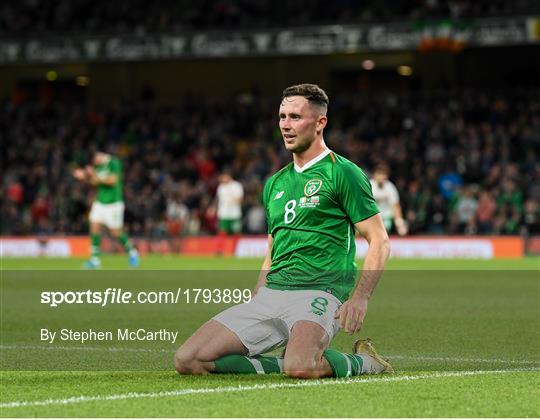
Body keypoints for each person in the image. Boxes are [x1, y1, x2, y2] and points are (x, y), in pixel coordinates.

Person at [174, 84, 393, 379]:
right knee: (188, 360)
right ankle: (287, 358)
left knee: (300, 367)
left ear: (320, 123)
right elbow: (272, 249)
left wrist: (360, 297)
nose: (286, 126)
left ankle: (364, 361)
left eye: (295, 117)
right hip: (273, 292)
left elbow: (379, 239)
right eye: (282, 117)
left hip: (319, 291)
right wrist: (259, 292)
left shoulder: (342, 172)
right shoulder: (274, 183)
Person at [72, 151, 139, 269]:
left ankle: (132, 252)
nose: (95, 161)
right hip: (100, 202)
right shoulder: (98, 167)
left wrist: (93, 175)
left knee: (116, 232)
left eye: (96, 158)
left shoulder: (114, 163)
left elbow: (112, 181)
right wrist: (85, 177)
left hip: (113, 204)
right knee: (94, 226)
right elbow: (94, 183)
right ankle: (95, 259)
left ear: (102, 155)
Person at [370, 164, 408, 236]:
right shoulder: (369, 185)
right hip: (371, 217)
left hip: (386, 218)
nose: (382, 177)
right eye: (380, 174)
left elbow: (395, 205)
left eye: (384, 174)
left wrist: (399, 222)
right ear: (375, 175)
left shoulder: (390, 186)